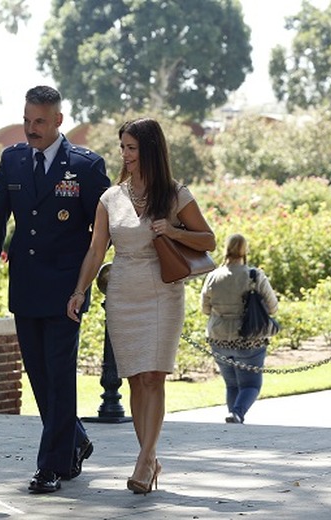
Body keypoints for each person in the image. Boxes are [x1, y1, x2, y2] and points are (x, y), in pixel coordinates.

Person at [67, 117, 216, 495]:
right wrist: (79, 291)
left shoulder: (175, 193)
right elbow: (96, 250)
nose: (125, 155)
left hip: (164, 291)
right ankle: (149, 458)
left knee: (154, 377)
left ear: (149, 150)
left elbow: (208, 240)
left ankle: (144, 460)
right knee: (135, 379)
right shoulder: (110, 198)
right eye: (123, 148)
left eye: (131, 148)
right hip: (123, 292)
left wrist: (173, 229)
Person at [0, 85, 110, 493]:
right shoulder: (13, 160)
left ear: (57, 121)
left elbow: (103, 235)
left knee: (60, 375)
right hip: (27, 284)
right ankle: (77, 440)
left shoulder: (85, 166)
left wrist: (84, 283)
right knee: (38, 374)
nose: (30, 129)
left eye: (39, 122)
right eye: (27, 120)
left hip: (67, 289)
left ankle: (51, 466)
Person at [200, 233, 279, 424]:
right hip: (249, 337)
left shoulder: (213, 277)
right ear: (245, 250)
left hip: (218, 338)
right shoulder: (254, 276)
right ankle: (237, 413)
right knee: (251, 384)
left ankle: (233, 416)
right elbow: (273, 307)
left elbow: (205, 309)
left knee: (232, 384)